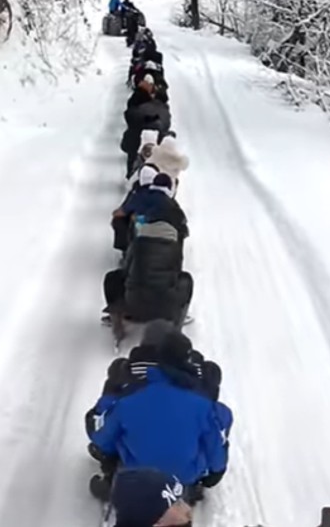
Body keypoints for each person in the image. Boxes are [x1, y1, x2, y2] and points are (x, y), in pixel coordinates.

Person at [85, 342, 232, 511]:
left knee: (114, 432)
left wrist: (107, 397)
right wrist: (215, 473)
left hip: (136, 475)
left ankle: (113, 481)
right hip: (184, 476)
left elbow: (101, 437)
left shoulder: (131, 397)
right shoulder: (204, 405)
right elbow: (215, 450)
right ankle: (185, 490)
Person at [103, 173, 193, 327]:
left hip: (133, 304)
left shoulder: (140, 197)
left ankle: (115, 316)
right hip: (167, 307)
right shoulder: (173, 209)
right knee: (185, 278)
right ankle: (180, 315)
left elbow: (119, 213)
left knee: (114, 276)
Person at [121, 76, 172, 175]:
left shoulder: (142, 104)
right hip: (147, 135)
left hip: (141, 134)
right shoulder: (157, 107)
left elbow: (129, 115)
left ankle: (131, 174)